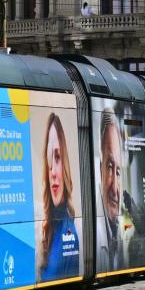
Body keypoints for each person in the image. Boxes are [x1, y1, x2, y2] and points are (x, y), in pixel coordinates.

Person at [96, 107, 140, 272]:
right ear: (100, 170)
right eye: (109, 167)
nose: (115, 187)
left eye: (118, 172)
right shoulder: (95, 227)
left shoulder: (124, 227)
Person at [39, 113, 80, 281]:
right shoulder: (49, 226)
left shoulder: (69, 233)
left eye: (57, 157)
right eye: (49, 159)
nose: (53, 172)